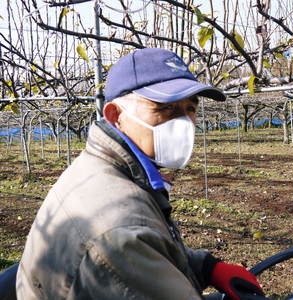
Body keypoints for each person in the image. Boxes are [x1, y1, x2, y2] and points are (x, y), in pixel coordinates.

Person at [16, 48, 264, 300]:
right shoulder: (120, 233)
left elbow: (149, 246)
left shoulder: (100, 169)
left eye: (190, 108)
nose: (184, 123)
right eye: (165, 109)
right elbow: (130, 242)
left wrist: (207, 266)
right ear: (116, 116)